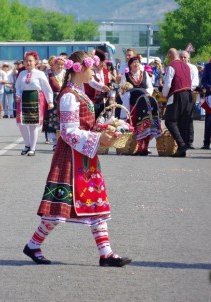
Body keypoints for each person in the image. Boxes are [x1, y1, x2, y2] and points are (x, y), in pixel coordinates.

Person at [23, 50, 131, 267]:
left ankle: (106, 253)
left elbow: (84, 125)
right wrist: (99, 136)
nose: (94, 72)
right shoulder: (70, 96)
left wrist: (106, 127)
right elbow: (69, 132)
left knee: (95, 202)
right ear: (80, 69)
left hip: (84, 155)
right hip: (71, 157)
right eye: (91, 68)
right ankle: (34, 244)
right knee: (58, 208)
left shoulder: (79, 92)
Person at [15, 51, 54, 156]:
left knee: (33, 125)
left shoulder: (40, 74)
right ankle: (27, 145)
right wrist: (18, 93)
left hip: (35, 99)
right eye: (26, 61)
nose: (28, 63)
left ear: (35, 62)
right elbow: (17, 86)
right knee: (21, 124)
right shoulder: (22, 73)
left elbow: (47, 88)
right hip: (23, 100)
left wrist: (50, 101)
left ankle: (32, 147)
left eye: (30, 61)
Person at [162, 48, 193, 157]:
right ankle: (182, 149)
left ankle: (181, 144)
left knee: (170, 120)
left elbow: (167, 84)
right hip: (188, 95)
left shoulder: (171, 66)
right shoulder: (187, 66)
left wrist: (164, 94)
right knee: (183, 122)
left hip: (177, 94)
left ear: (170, 55)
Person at [44, 56, 66, 149]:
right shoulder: (50, 74)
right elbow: (46, 87)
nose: (60, 67)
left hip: (65, 98)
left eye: (61, 65)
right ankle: (55, 143)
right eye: (58, 64)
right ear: (54, 65)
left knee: (63, 120)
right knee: (53, 121)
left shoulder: (67, 74)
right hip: (54, 99)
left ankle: (63, 141)